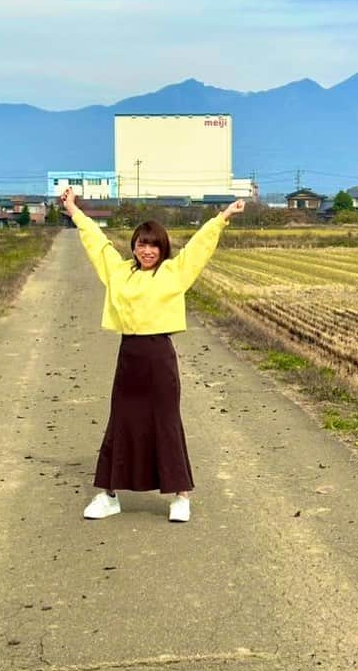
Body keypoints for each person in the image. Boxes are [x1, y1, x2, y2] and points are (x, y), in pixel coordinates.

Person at [60, 187, 245, 522]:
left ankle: (180, 496)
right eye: (142, 244)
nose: (147, 250)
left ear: (163, 249)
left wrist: (223, 218)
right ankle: (109, 495)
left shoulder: (174, 273)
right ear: (133, 246)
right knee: (121, 423)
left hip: (160, 356)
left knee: (166, 423)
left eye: (154, 245)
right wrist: (74, 211)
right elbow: (96, 244)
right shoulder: (119, 273)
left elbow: (198, 249)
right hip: (129, 356)